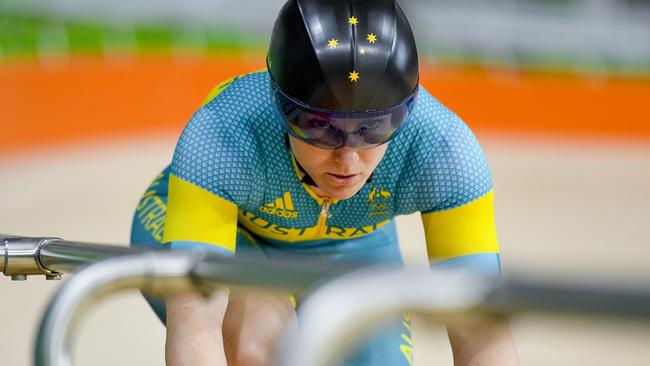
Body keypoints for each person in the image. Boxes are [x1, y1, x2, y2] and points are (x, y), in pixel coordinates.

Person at [130, 0, 520, 365]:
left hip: (354, 247)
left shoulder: (443, 150)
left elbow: (482, 330)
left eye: (374, 130)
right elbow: (196, 326)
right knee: (259, 343)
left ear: (408, 112)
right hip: (229, 232)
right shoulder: (223, 135)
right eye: (319, 128)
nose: (347, 160)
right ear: (279, 106)